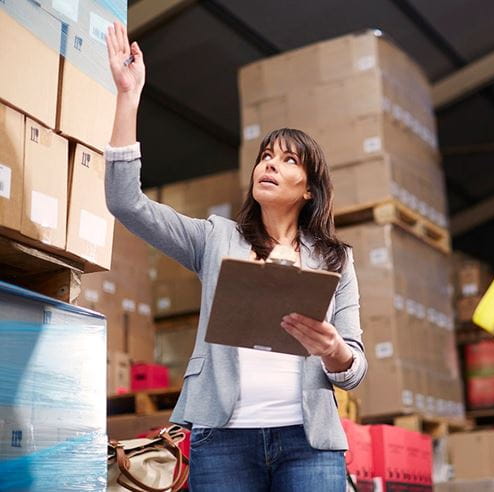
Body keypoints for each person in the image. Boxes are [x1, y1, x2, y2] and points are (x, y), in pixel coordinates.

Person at [104, 22, 367, 491]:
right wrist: (128, 97)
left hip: (308, 442)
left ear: (309, 190)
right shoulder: (215, 239)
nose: (270, 163)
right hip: (223, 438)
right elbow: (128, 204)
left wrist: (334, 352)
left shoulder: (335, 260)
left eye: (288, 160)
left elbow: (355, 371)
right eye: (266, 155)